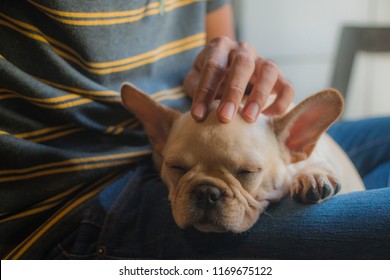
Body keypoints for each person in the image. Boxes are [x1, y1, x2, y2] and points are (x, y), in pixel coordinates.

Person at [0, 0, 388, 259]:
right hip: (74, 204)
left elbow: (223, 44)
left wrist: (235, 62)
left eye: (244, 173)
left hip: (194, 137)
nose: (209, 197)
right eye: (183, 174)